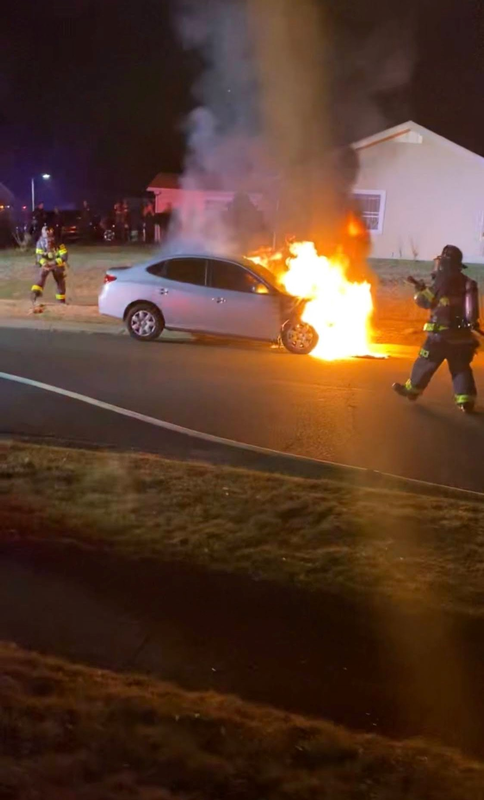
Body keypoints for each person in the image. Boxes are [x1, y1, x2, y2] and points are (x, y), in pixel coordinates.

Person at [392, 244, 480, 413]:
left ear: (444, 262)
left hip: (439, 337)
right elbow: (472, 314)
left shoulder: (441, 281)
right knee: (461, 367)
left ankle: (412, 390)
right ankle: (466, 400)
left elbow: (425, 301)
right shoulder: (469, 283)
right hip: (461, 337)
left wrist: (419, 290)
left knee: (425, 362)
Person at [31, 225, 69, 307]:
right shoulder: (40, 243)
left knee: (60, 281)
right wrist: (44, 264)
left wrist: (54, 263)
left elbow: (64, 256)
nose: (49, 243)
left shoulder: (59, 243)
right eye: (47, 241)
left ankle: (61, 302)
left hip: (56, 264)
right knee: (41, 278)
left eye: (51, 240)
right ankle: (34, 297)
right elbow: (39, 256)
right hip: (46, 264)